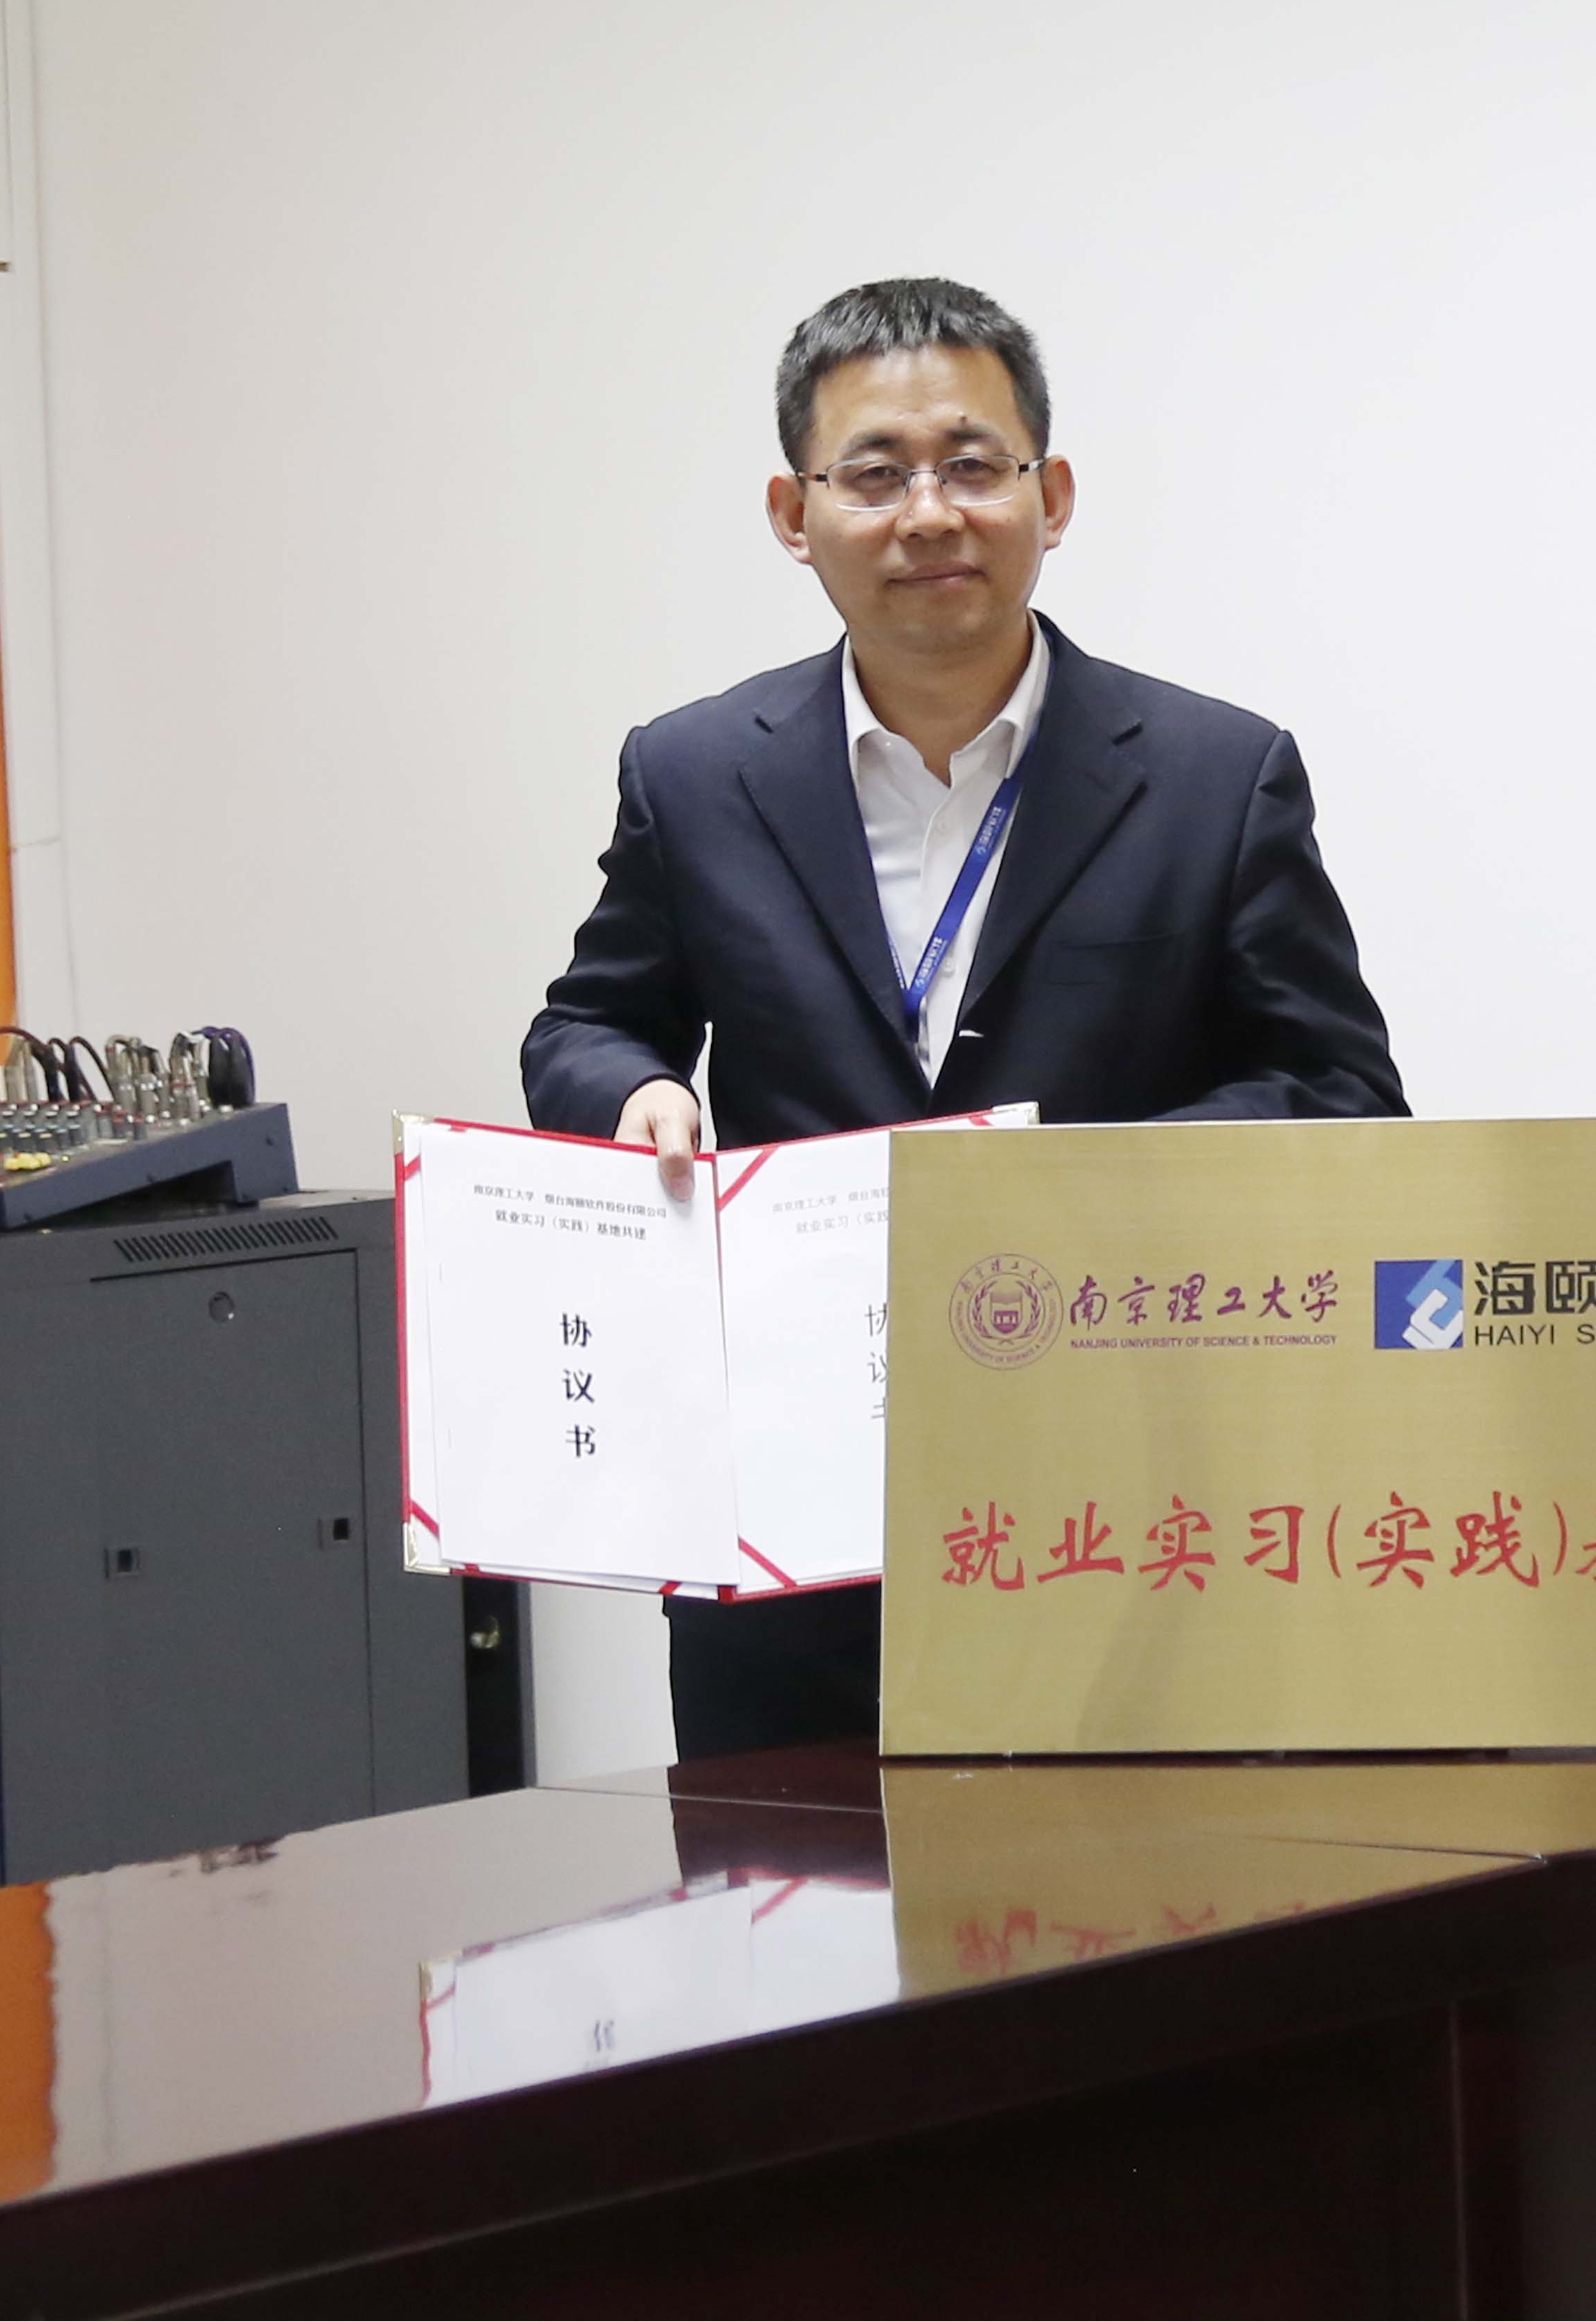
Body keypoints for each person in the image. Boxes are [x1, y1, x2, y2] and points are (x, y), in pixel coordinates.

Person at [525, 276, 1407, 1754]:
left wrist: (1077, 1179)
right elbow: (585, 1027)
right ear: (793, 513)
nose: (928, 513)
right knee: (785, 1882)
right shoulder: (694, 774)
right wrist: (633, 1096)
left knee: (1141, 1882)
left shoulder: (1215, 773)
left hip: (1135, 1500)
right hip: (798, 1511)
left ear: (1050, 496)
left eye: (973, 466)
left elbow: (1341, 1093)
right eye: (874, 474)